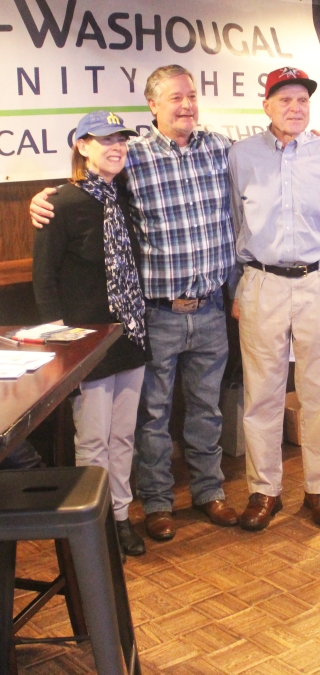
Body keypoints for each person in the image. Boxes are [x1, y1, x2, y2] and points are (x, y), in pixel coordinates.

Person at [30, 66, 240, 542]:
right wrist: (42, 198)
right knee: (152, 416)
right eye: (174, 98)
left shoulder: (222, 149)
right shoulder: (135, 157)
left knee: (206, 410)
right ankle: (158, 503)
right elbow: (84, 189)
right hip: (156, 313)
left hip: (210, 308)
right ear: (152, 107)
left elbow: (273, 155)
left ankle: (210, 493)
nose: (186, 105)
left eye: (191, 95)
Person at [228, 67, 320, 531]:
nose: (295, 108)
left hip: (319, 283)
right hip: (261, 284)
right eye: (285, 100)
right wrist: (237, 288)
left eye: (302, 101)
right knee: (262, 395)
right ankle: (264, 490)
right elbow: (232, 224)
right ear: (266, 105)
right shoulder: (240, 155)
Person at [31, 110, 148, 559]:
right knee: (93, 438)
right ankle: (93, 523)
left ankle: (120, 517)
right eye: (104, 140)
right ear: (81, 146)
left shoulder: (126, 197)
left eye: (121, 140)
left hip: (130, 335)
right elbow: (44, 278)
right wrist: (62, 344)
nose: (116, 147)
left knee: (123, 436)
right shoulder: (60, 203)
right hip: (88, 342)